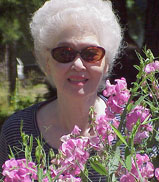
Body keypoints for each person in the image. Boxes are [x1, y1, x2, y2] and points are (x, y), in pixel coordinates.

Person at [0, 0, 122, 181]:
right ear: (47, 63)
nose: (78, 65)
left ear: (106, 64)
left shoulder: (132, 128)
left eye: (91, 53)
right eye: (65, 53)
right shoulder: (17, 131)